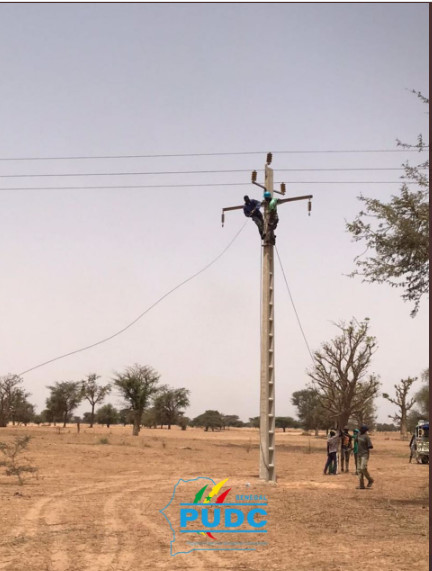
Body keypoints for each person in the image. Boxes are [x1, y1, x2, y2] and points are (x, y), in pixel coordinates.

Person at [356, 425, 374, 489]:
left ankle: (370, 480)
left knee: (363, 468)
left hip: (365, 454)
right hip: (359, 454)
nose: (360, 430)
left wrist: (366, 446)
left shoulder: (366, 437)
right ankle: (361, 485)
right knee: (359, 470)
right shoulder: (358, 435)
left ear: (364, 430)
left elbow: (371, 446)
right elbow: (356, 441)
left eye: (361, 429)